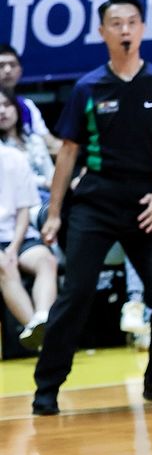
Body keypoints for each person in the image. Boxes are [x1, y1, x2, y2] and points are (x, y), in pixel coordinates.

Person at [31, 0, 152, 415]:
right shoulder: (88, 87)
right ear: (101, 32)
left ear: (142, 29)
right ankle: (46, 387)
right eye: (115, 23)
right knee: (77, 291)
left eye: (132, 22)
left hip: (145, 204)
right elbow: (67, 153)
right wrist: (53, 212)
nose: (124, 30)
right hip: (95, 203)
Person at [0, 136, 57, 349]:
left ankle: (40, 320)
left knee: (46, 261)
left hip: (19, 234)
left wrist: (14, 247)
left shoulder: (15, 158)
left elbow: (25, 208)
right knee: (4, 266)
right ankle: (41, 336)